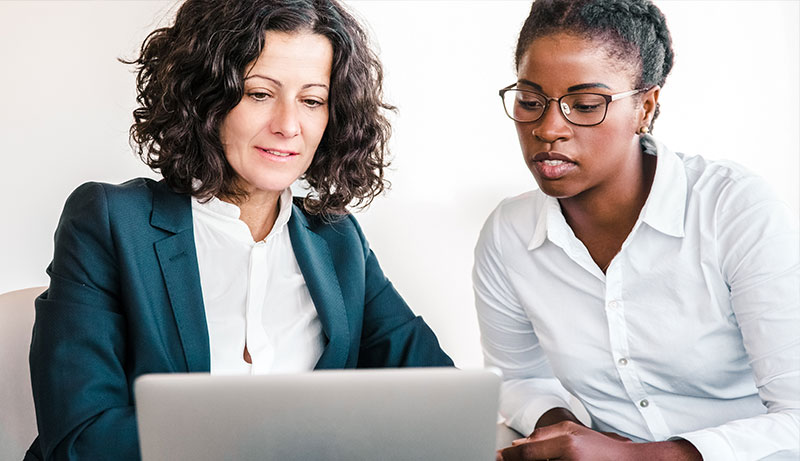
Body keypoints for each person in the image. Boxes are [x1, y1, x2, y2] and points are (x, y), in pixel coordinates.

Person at [26, 0, 453, 459]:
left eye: (312, 101)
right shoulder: (109, 222)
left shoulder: (338, 240)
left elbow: (440, 395)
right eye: (259, 93)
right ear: (206, 96)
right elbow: (81, 439)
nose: (288, 126)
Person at [474, 0, 800, 460]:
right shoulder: (508, 233)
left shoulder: (735, 211)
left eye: (585, 105)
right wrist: (566, 433)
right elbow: (518, 377)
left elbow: (796, 415)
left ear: (645, 107)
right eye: (530, 102)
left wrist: (638, 457)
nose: (548, 129)